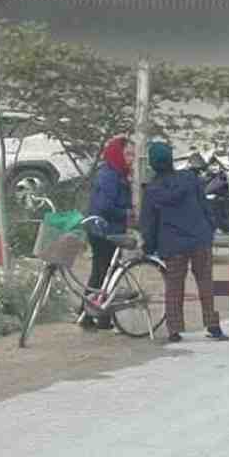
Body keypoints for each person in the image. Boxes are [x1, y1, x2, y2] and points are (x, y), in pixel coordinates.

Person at [140, 140, 227, 343]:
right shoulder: (189, 179)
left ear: (153, 164)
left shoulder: (152, 190)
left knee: (174, 286)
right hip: (199, 238)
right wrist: (210, 228)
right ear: (171, 160)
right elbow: (205, 206)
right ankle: (213, 326)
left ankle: (174, 330)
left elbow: (148, 223)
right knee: (205, 282)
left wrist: (149, 246)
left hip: (172, 244)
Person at [82, 134, 134, 327]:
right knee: (104, 273)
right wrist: (126, 213)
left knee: (100, 272)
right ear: (117, 155)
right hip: (105, 230)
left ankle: (89, 314)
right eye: (128, 155)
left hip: (102, 229)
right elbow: (105, 206)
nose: (130, 159)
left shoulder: (114, 173)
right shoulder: (110, 176)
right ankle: (98, 316)